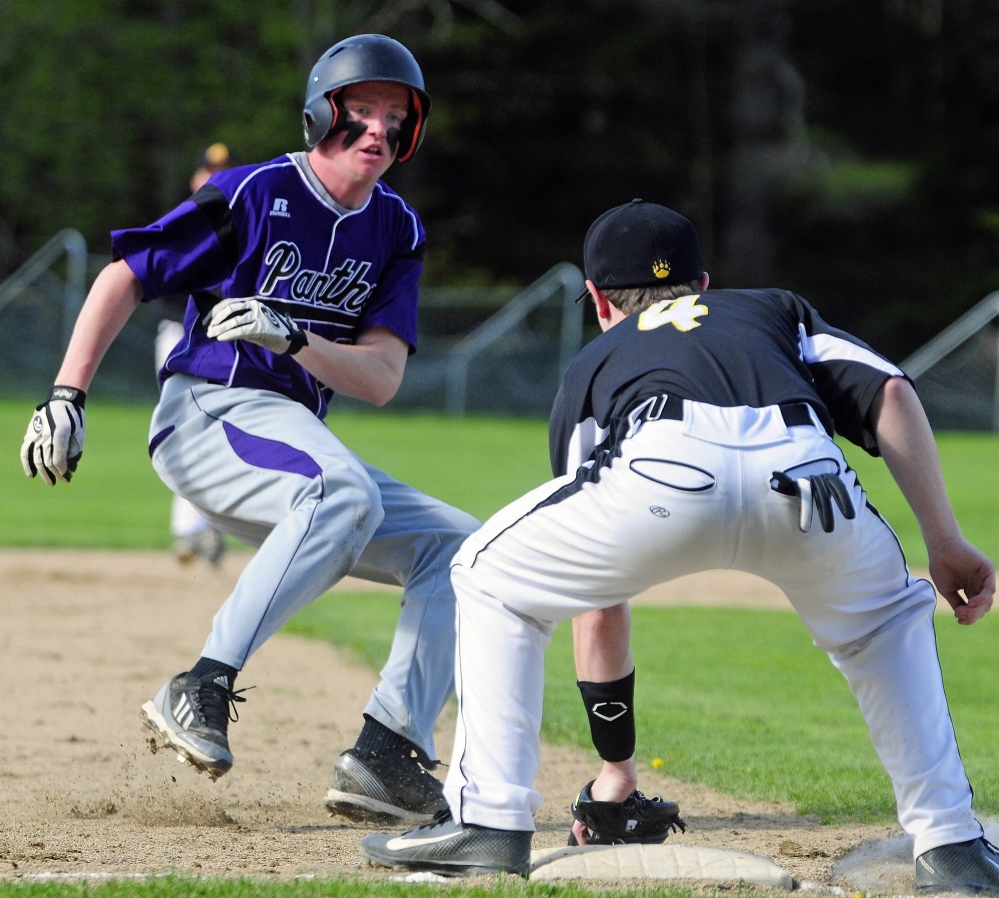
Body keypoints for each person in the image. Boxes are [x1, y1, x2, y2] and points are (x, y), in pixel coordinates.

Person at [359, 199, 999, 891]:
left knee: (486, 573)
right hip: (807, 475)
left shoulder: (596, 360)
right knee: (884, 624)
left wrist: (617, 769)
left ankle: (488, 820)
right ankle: (949, 843)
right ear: (701, 284)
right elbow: (891, 394)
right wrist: (943, 542)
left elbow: (596, 604)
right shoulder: (773, 308)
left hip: (660, 468)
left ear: (599, 300)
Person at [20, 33, 480, 825]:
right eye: (359, 110)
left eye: (394, 117)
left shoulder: (396, 231)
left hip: (287, 441)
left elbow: (380, 378)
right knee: (340, 491)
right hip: (209, 410)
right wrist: (68, 393)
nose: (377, 129)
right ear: (319, 116)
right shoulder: (254, 192)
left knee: (466, 553)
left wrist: (296, 338)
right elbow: (124, 275)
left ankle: (386, 752)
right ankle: (199, 684)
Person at [155, 143, 233, 567]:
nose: (214, 177)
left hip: (229, 340)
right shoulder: (183, 219)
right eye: (209, 170)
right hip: (179, 337)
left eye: (224, 170)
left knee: (218, 431)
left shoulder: (247, 217)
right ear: (195, 177)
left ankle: (205, 527)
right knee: (183, 430)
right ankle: (195, 529)